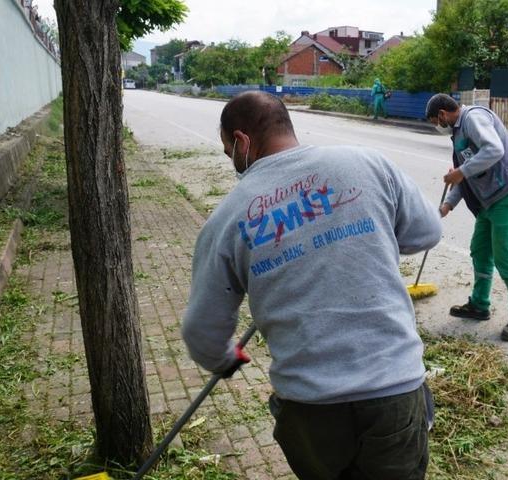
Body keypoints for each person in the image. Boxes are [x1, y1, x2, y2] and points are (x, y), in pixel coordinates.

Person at [182, 91, 441, 479]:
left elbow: (201, 331)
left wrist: (225, 359)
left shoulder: (228, 218)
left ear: (242, 142)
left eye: (227, 151)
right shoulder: (365, 163)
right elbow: (426, 232)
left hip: (310, 408)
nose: (231, 160)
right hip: (393, 391)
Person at [426, 93, 508, 342]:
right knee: (480, 251)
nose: (436, 127)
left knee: (506, 257)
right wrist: (446, 206)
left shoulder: (473, 118)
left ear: (442, 114)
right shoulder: (458, 135)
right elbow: (466, 180)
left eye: (435, 122)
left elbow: (493, 149)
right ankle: (479, 304)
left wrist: (461, 171)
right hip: (489, 200)